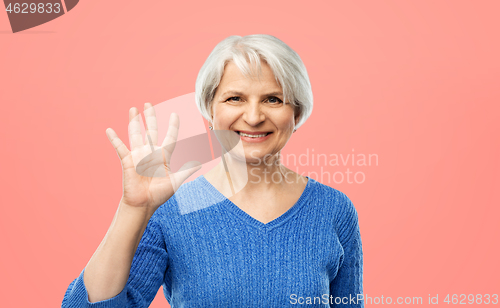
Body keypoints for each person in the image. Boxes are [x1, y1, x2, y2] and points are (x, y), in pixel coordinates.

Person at [61, 34, 363, 308]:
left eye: (273, 99)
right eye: (235, 98)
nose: (254, 117)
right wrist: (133, 208)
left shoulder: (334, 210)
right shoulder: (171, 211)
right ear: (210, 109)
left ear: (296, 112)